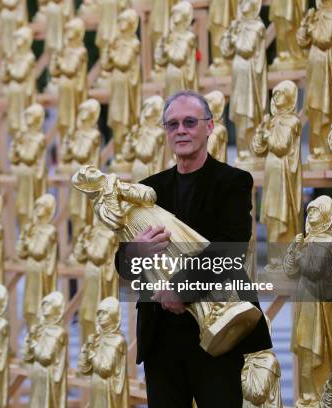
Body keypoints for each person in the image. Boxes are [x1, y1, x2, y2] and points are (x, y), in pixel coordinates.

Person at [116, 90, 272, 407]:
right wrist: (135, 252)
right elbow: (123, 264)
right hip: (161, 336)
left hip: (218, 330)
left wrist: (180, 289)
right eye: (172, 125)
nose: (181, 130)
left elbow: (229, 248)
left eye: (189, 122)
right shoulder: (148, 190)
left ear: (209, 127)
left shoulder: (233, 181)